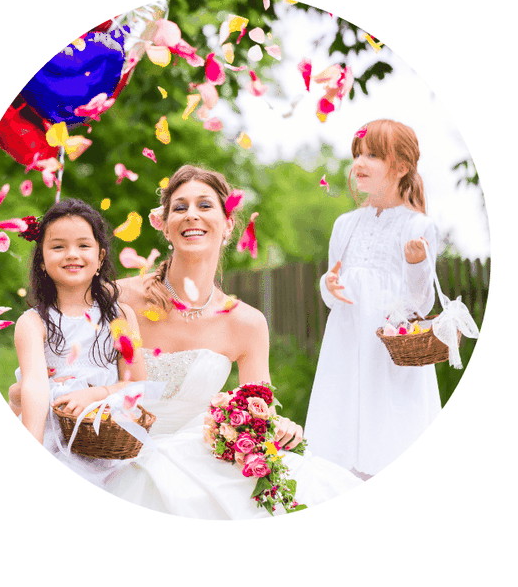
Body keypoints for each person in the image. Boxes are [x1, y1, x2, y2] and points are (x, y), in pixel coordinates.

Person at [93, 164, 360, 518]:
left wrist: (278, 425)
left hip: (200, 458)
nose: (192, 216)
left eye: (205, 206)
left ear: (229, 224)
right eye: (180, 207)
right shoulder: (118, 297)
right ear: (165, 225)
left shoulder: (247, 323)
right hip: (116, 454)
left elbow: (258, 409)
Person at [304, 119, 441, 480]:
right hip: (346, 349)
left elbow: (421, 303)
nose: (360, 163)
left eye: (373, 156)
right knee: (340, 428)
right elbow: (334, 289)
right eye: (357, 154)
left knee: (390, 431)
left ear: (401, 167)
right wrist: (327, 284)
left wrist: (415, 264)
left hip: (388, 355)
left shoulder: (418, 227)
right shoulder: (345, 224)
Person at [12, 198, 146, 481]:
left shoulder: (122, 316)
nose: (72, 254)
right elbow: (35, 385)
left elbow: (137, 383)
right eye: (58, 246)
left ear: (100, 258)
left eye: (84, 245)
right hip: (52, 439)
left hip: (107, 442)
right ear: (42, 261)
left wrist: (94, 394)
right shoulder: (33, 323)